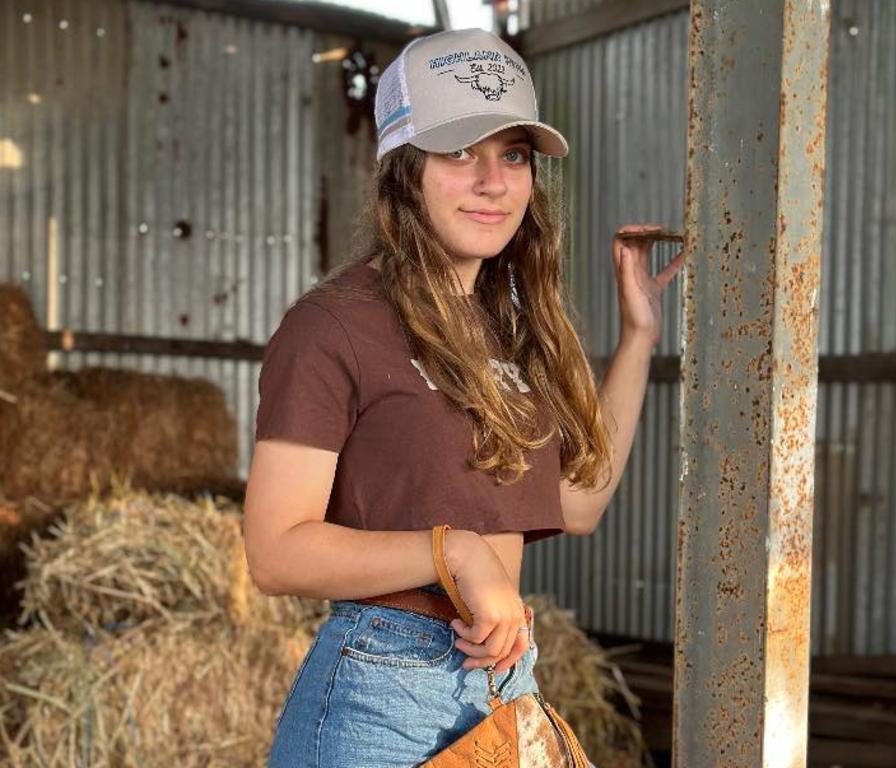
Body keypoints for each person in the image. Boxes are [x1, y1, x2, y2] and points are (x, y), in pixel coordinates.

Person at [244, 27, 683, 768]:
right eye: (459, 153)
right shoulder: (333, 325)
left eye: (512, 154)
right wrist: (456, 555)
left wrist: (638, 334)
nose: (493, 181)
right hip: (382, 694)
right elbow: (274, 552)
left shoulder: (504, 333)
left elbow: (577, 505)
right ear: (402, 170)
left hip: (502, 683)